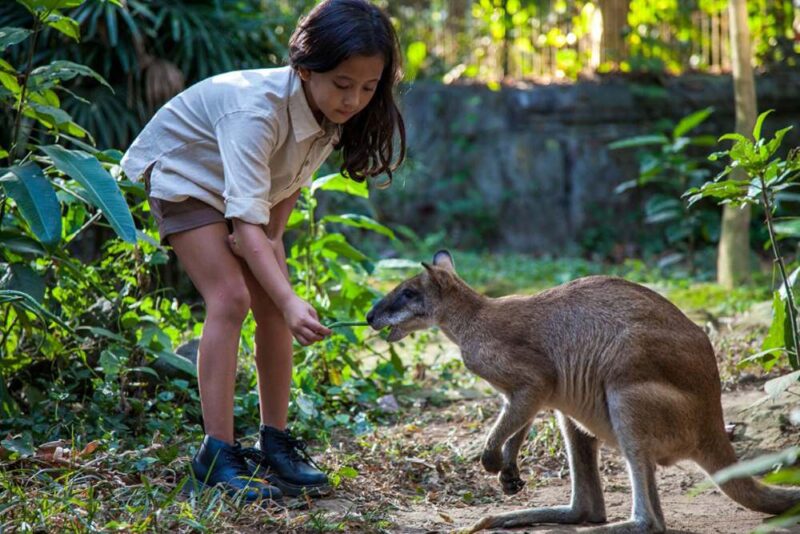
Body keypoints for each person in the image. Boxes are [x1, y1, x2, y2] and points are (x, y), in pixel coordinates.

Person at [120, 0, 406, 502]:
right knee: (231, 298)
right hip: (186, 177)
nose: (354, 100)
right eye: (342, 84)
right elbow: (247, 229)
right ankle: (216, 453)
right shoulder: (255, 112)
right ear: (303, 68)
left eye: (368, 87)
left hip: (244, 198)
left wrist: (287, 298)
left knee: (275, 306)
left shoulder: (327, 118)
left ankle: (275, 444)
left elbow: (269, 226)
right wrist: (290, 296)